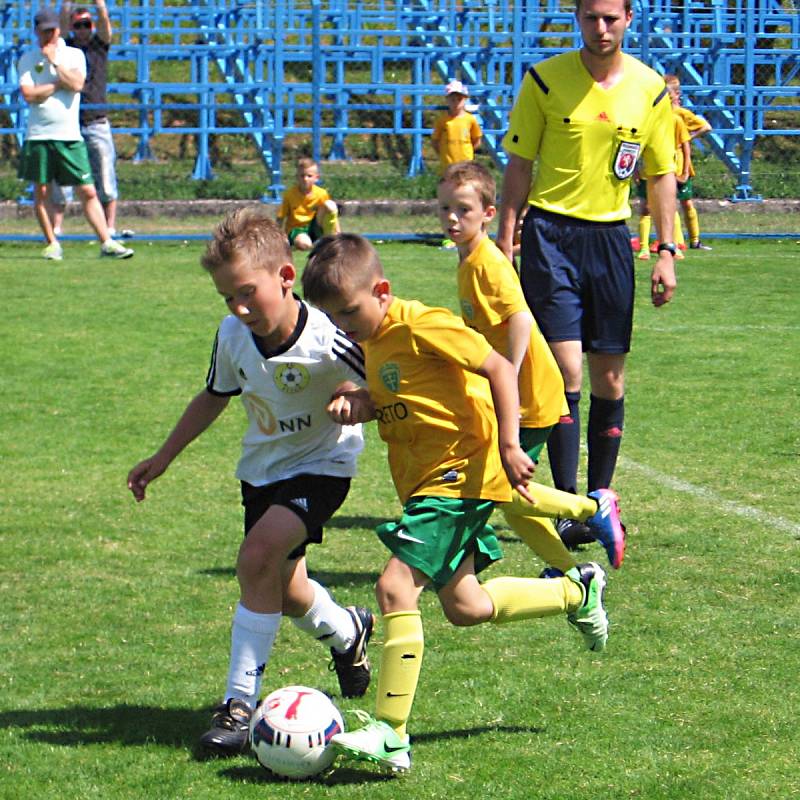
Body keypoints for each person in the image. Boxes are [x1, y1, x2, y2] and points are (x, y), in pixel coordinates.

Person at [302, 233, 612, 774]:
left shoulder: (422, 322)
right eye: (335, 319)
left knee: (393, 586)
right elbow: (405, 395)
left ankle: (391, 734)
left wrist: (511, 446)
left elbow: (497, 367)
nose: (347, 327)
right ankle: (575, 591)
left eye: (351, 311)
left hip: (457, 476)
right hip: (424, 482)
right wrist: (361, 402)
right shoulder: (372, 339)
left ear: (382, 289)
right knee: (464, 606)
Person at [127, 209, 373, 758]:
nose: (239, 308)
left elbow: (385, 384)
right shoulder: (233, 335)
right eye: (227, 299)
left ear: (286, 276)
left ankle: (239, 707)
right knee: (284, 593)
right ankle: (346, 631)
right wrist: (165, 455)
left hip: (322, 468)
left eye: (247, 293)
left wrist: (359, 401)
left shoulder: (332, 338)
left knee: (255, 558)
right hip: (261, 473)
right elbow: (215, 395)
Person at [496, 0, 676, 549]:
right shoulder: (544, 81)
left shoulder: (650, 89)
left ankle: (602, 499)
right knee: (566, 373)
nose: (601, 28)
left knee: (610, 379)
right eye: (591, 17)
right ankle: (570, 503)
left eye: (611, 18)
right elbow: (520, 166)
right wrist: (505, 242)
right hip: (551, 236)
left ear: (628, 19)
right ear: (577, 18)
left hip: (611, 240)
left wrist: (666, 249)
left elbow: (660, 173)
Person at [437, 160, 625, 572]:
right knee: (513, 497)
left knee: (504, 488)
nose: (451, 218)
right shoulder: (468, 260)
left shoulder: (488, 262)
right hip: (516, 392)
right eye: (445, 208)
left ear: (488, 214)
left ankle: (591, 511)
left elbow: (520, 317)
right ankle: (571, 571)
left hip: (530, 395)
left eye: (463, 210)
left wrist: (509, 369)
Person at [16, 7, 133, 261]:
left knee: (88, 190)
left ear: (59, 30)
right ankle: (52, 242)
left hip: (69, 135)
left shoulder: (73, 55)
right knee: (42, 193)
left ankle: (106, 241)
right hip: (38, 135)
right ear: (37, 32)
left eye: (53, 30)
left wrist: (54, 65)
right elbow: (29, 95)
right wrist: (58, 85)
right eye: (45, 31)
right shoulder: (27, 59)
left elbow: (77, 84)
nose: (49, 35)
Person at [48, 1, 131, 240]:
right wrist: (66, 6)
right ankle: (56, 229)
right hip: (70, 121)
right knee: (61, 180)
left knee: (105, 178)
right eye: (78, 25)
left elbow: (106, 25)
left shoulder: (98, 47)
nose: (82, 29)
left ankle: (109, 227)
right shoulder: (68, 48)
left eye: (86, 24)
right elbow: (61, 26)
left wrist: (100, 5)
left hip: (97, 120)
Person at [666, 73, 713, 251]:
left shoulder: (681, 114)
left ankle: (695, 240)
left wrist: (687, 138)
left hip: (679, 163)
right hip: (663, 162)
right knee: (666, 204)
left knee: (686, 202)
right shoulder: (657, 113)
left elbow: (706, 126)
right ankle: (675, 242)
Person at [277, 157, 340, 251]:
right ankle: (317, 246)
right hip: (297, 229)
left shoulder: (321, 193)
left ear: (316, 178)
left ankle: (330, 237)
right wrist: (278, 238)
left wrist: (338, 231)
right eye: (302, 176)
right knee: (304, 243)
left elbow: (332, 216)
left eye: (309, 176)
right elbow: (281, 218)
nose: (305, 179)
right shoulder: (289, 195)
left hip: (315, 226)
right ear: (297, 177)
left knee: (330, 205)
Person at [431, 80, 482, 175]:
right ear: (447, 100)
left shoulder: (470, 119)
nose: (456, 103)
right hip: (448, 163)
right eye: (452, 99)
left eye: (459, 99)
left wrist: (469, 151)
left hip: (465, 162)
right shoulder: (442, 120)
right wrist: (442, 153)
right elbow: (435, 141)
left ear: (465, 100)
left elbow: (476, 140)